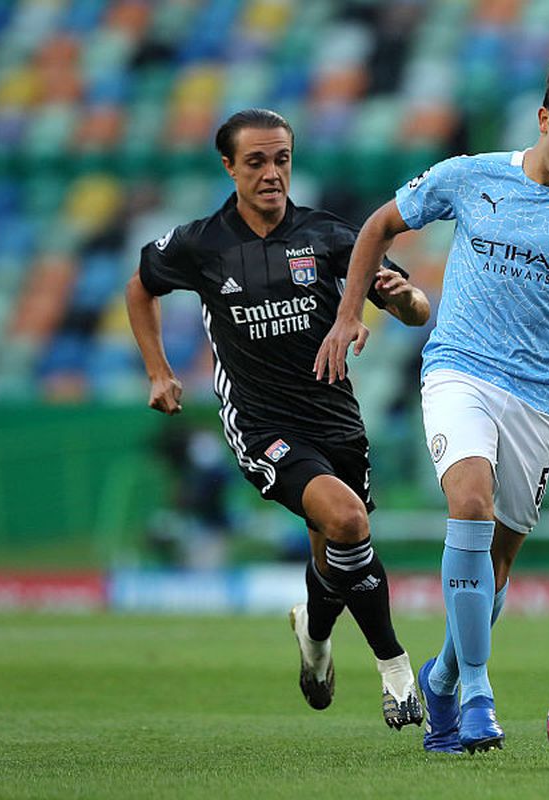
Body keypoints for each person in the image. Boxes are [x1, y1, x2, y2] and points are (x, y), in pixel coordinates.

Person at [318, 57, 549, 752]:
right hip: (459, 371)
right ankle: (476, 695)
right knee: (468, 504)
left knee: (494, 573)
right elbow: (377, 226)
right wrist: (349, 315)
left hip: (541, 399)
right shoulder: (470, 177)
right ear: (544, 118)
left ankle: (439, 680)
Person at [124, 108, 431, 728]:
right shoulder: (201, 244)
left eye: (282, 159)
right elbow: (140, 288)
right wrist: (158, 370)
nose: (271, 173)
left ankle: (314, 634)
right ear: (229, 166)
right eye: (257, 161)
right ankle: (395, 667)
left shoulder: (327, 235)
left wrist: (405, 298)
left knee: (334, 553)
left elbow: (416, 310)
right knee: (348, 522)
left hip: (337, 418)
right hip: (263, 424)